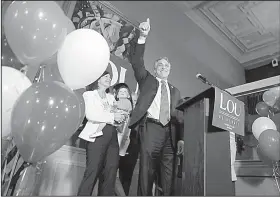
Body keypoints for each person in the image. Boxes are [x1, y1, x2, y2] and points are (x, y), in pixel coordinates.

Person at [128, 18, 184, 196]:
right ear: (155, 68)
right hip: (151, 128)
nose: (163, 67)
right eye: (160, 65)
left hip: (171, 134)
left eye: (167, 66)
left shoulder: (175, 91)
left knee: (168, 176)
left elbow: (180, 117)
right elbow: (136, 61)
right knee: (147, 172)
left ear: (170, 70)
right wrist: (142, 36)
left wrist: (181, 138)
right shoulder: (147, 80)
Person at [77, 70, 127, 196]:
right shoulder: (89, 95)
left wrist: (120, 118)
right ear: (97, 79)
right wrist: (112, 117)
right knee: (92, 172)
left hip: (112, 136)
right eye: (105, 76)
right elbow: (91, 115)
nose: (108, 78)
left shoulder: (111, 97)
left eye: (110, 77)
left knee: (110, 173)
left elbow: (113, 117)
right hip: (96, 136)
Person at [118, 91, 140, 195]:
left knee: (127, 177)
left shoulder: (140, 117)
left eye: (136, 101)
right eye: (132, 101)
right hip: (118, 147)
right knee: (113, 176)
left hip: (132, 150)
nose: (134, 103)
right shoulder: (121, 112)